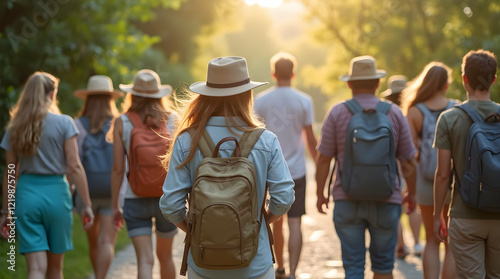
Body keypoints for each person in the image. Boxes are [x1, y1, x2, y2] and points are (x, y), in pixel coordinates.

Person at [159, 56, 295, 279]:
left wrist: (197, 230)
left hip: (203, 264)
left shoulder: (187, 141)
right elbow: (284, 198)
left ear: (206, 96)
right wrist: (258, 224)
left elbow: (171, 205)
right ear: (247, 95)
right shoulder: (266, 141)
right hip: (255, 265)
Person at [315, 56, 417, 278]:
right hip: (387, 201)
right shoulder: (394, 112)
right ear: (378, 83)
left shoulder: (337, 112)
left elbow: (323, 158)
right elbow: (409, 161)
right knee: (383, 267)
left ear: (349, 84)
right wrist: (411, 193)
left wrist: (320, 193)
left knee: (353, 268)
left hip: (347, 200)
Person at [0, 72, 94, 279]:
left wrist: (6, 211)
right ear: (52, 95)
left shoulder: (15, 127)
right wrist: (86, 204)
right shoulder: (65, 123)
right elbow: (75, 166)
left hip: (26, 197)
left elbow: (10, 172)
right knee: (54, 269)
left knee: (35, 269)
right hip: (57, 197)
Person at [434, 49, 500, 279]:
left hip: (465, 216)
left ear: (464, 79)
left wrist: (436, 216)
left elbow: (443, 174)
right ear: (493, 79)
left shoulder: (449, 119)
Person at [254, 52, 317, 279]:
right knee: (295, 221)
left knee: (274, 221)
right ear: (293, 73)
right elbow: (310, 139)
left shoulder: (260, 100)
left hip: (268, 171)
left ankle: (278, 268)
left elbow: (253, 137)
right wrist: (320, 167)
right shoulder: (304, 101)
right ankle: (292, 273)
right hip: (297, 171)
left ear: (273, 73)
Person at [110, 69, 178, 279]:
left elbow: (118, 169)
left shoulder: (122, 122)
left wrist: (115, 206)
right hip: (166, 197)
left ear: (133, 94)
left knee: (145, 260)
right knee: (166, 257)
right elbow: (178, 163)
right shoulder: (172, 119)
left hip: (134, 197)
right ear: (160, 94)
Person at [401, 62, 457, 278]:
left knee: (431, 240)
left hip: (426, 182)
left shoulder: (414, 111)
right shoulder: (457, 107)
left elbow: (408, 154)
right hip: (453, 180)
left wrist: (410, 188)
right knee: (451, 241)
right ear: (445, 85)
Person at [73, 75, 123, 279]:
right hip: (112, 190)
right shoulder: (120, 123)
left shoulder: (77, 124)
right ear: (111, 98)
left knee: (93, 242)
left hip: (86, 192)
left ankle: (97, 275)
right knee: (106, 243)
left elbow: (72, 161)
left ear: (87, 99)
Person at [381, 75, 423, 259]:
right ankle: (417, 243)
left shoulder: (387, 113)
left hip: (391, 163)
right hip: (411, 162)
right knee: (413, 203)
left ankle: (400, 245)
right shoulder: (411, 112)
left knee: (395, 202)